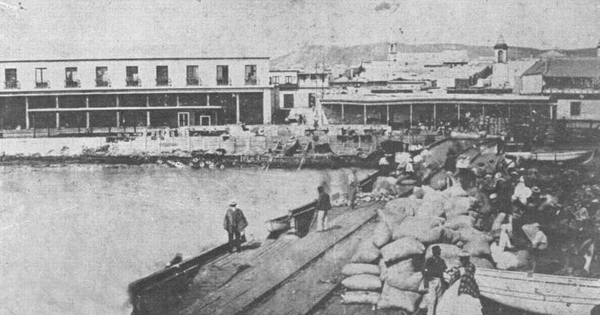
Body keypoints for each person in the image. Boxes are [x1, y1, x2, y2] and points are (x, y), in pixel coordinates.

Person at [422, 245, 448, 315]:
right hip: (432, 280)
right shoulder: (429, 260)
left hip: (439, 280)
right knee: (431, 300)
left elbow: (445, 268)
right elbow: (424, 270)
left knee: (440, 300)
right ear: (433, 252)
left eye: (439, 251)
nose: (438, 253)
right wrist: (427, 281)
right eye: (437, 251)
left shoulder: (441, 260)